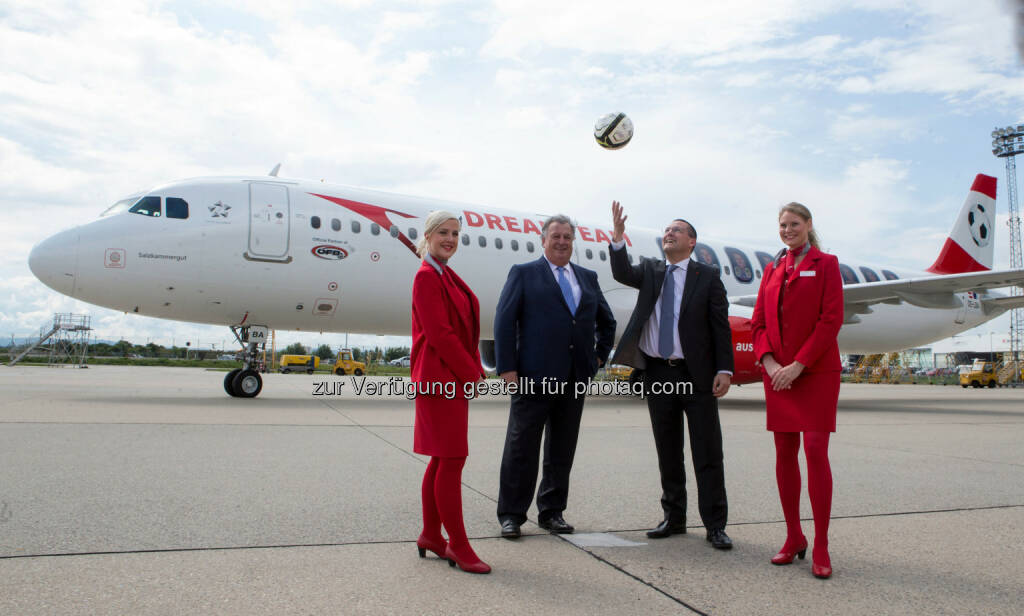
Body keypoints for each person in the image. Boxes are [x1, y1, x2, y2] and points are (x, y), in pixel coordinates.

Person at [608, 201, 735, 550]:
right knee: (668, 450)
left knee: (707, 452)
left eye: (677, 230)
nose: (669, 233)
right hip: (659, 373)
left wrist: (725, 369)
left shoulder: (707, 277)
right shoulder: (650, 270)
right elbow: (621, 272)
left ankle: (715, 525)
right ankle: (673, 518)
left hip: (697, 375)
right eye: (666, 230)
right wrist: (617, 239)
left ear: (692, 242)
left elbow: (719, 327)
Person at [494, 215, 616, 539]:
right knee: (521, 448)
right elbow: (504, 321)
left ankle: (552, 511)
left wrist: (597, 358)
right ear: (543, 239)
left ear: (573, 242)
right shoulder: (523, 273)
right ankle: (511, 515)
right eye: (556, 236)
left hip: (575, 377)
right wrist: (507, 368)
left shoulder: (587, 278)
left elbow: (608, 323)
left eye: (567, 237)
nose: (562, 241)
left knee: (562, 450)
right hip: (532, 378)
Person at [750, 202, 843, 580]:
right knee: (784, 453)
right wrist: (771, 365)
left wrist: (798, 365)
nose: (787, 230)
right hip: (779, 376)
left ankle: (820, 543)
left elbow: (830, 319)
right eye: (783, 225)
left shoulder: (827, 264)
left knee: (816, 450)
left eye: (794, 224)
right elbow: (758, 324)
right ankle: (793, 537)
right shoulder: (772, 269)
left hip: (815, 371)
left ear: (808, 225)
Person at [410, 210, 490, 574]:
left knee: (442, 459)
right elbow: (440, 334)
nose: (450, 239)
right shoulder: (427, 277)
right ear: (428, 235)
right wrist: (471, 371)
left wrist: (472, 366)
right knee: (452, 459)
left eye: (456, 234)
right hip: (440, 378)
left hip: (448, 378)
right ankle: (458, 545)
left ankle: (430, 534)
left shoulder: (445, 274)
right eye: (443, 232)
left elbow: (463, 327)